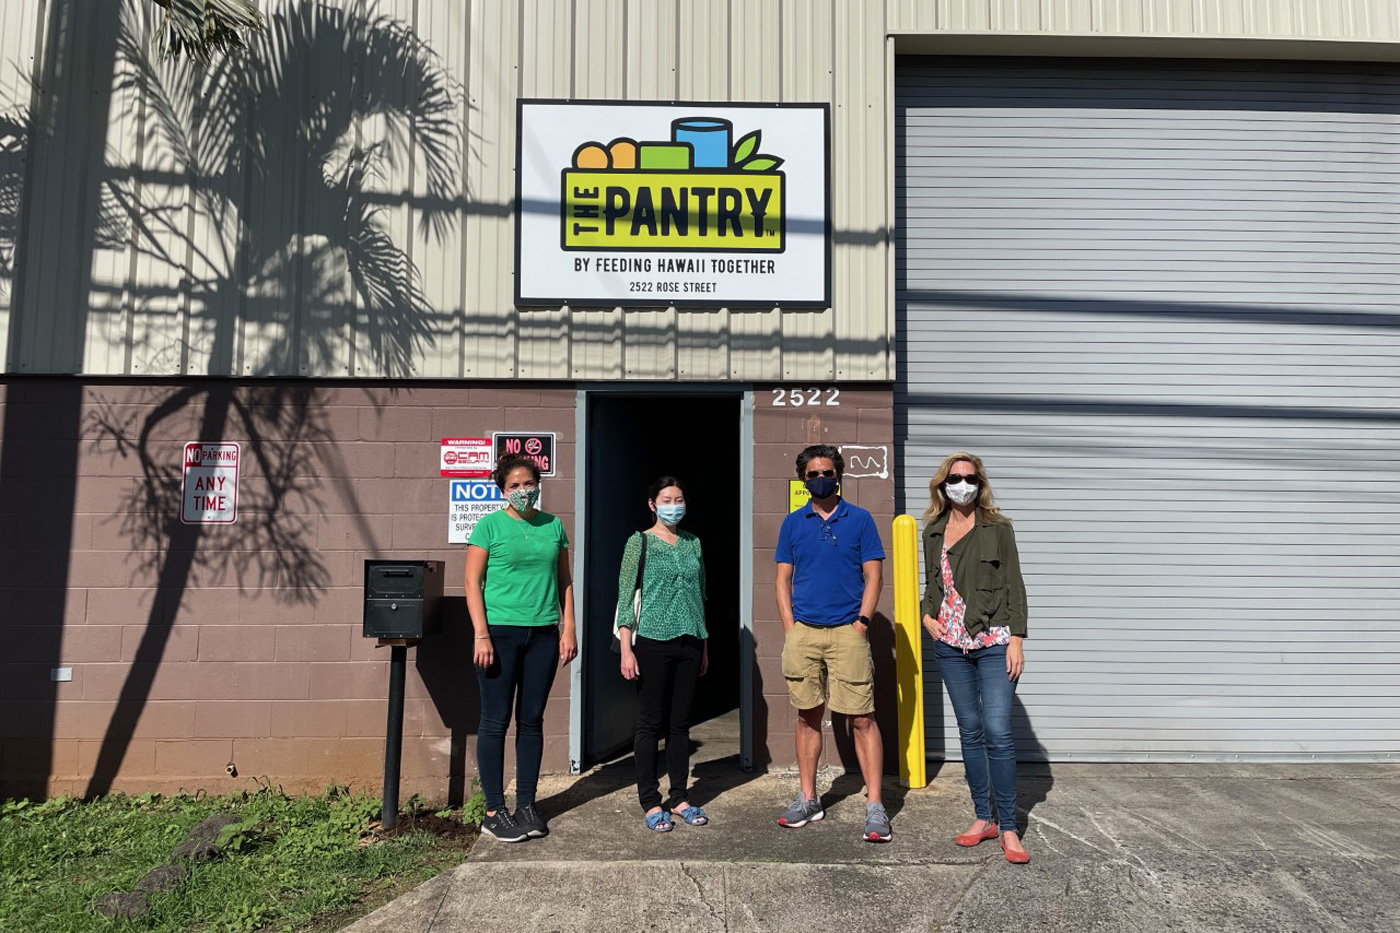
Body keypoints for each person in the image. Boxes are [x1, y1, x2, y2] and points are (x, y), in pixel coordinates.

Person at [774, 444, 890, 842]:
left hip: (847, 632)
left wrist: (861, 622)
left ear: (838, 475)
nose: (819, 479)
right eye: (812, 474)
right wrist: (791, 626)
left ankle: (875, 805)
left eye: (826, 472)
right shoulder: (793, 523)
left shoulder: (859, 520)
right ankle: (808, 799)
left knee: (862, 717)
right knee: (808, 716)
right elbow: (782, 579)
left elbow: (873, 576)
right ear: (803, 479)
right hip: (804, 632)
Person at [921, 452, 1029, 864]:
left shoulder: (998, 529)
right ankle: (983, 817)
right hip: (949, 642)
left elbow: (1014, 584)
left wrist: (1017, 639)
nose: (962, 484)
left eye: (969, 477)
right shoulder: (932, 531)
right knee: (970, 730)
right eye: (955, 478)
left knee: (998, 731)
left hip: (995, 640)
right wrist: (926, 614)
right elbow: (934, 585)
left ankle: (1008, 827)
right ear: (943, 484)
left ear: (979, 483)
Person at [465, 454, 577, 842]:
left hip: (543, 634)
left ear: (539, 485)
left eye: (528, 484)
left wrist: (568, 628)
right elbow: (471, 583)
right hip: (498, 635)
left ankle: (527, 804)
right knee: (495, 720)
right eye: (514, 486)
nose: (523, 491)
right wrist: (482, 634)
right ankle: (494, 809)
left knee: (531, 720)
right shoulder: (489, 527)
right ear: (502, 491)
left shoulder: (553, 526)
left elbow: (564, 580)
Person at [616, 477, 710, 832]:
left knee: (680, 723)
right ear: (653, 504)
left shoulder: (693, 543)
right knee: (650, 722)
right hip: (652, 641)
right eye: (667, 499)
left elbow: (701, 596)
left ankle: (681, 796)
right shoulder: (638, 543)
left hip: (690, 641)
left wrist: (704, 645)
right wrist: (627, 649)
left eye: (680, 498)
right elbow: (625, 598)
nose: (675, 504)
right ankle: (651, 801)